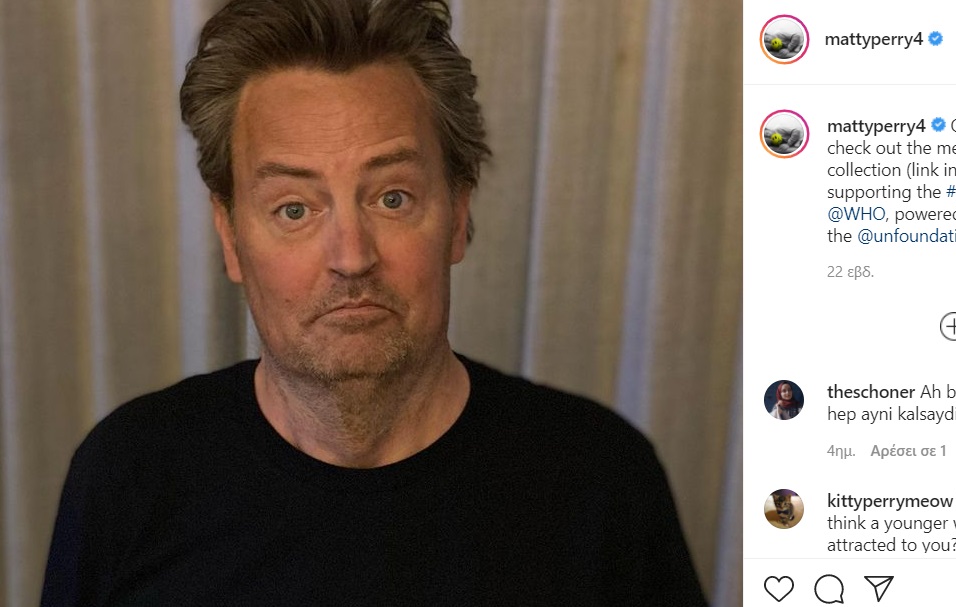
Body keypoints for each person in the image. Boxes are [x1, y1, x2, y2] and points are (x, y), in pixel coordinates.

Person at [39, 1, 707, 605]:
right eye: (294, 208)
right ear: (231, 237)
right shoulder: (127, 478)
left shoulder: (601, 483)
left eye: (392, 197)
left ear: (457, 216)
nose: (351, 256)